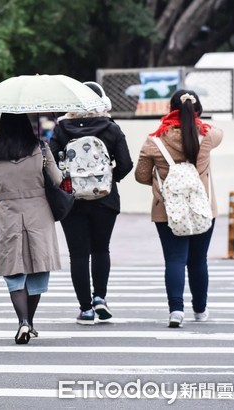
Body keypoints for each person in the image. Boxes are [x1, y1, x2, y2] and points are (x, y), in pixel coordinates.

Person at [135, 89, 222, 328]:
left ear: (169, 109)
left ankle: (176, 311)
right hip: (203, 207)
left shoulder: (154, 141)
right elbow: (219, 132)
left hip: (167, 209)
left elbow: (141, 175)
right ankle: (200, 310)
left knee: (174, 259)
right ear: (198, 111)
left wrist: (159, 178)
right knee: (198, 260)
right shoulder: (207, 136)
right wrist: (195, 121)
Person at [49, 81, 133, 325]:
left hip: (72, 200)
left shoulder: (62, 128)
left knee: (78, 255)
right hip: (105, 199)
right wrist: (108, 179)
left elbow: (52, 162)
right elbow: (126, 164)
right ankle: (100, 298)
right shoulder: (111, 128)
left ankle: (85, 309)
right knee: (101, 249)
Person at [0, 113, 63, 344]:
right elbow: (57, 179)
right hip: (38, 213)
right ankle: (30, 322)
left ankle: (23, 322)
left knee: (15, 271)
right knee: (37, 268)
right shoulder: (40, 148)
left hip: (9, 214)